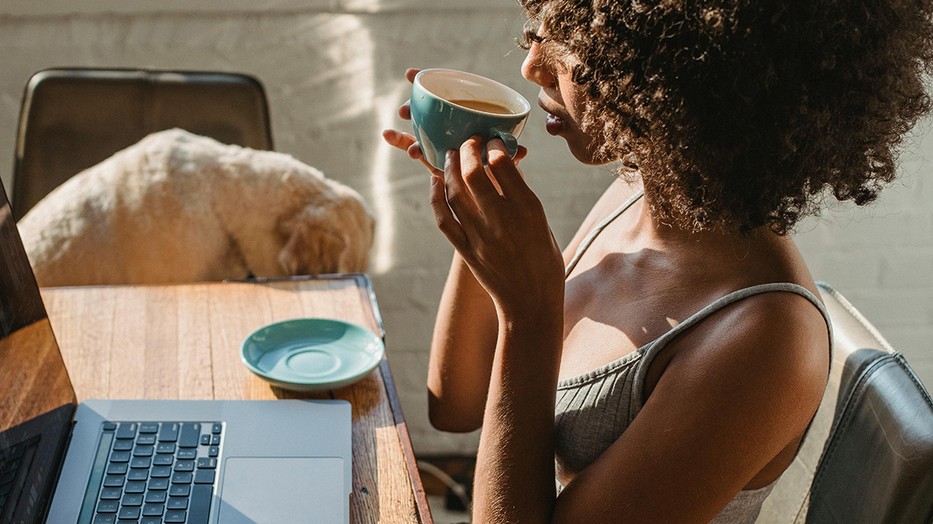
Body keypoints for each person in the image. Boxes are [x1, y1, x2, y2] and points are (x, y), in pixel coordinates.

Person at [382, 0, 933, 521]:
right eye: (539, 31)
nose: (532, 66)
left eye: (571, 43)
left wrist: (528, 314)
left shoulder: (766, 339)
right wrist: (477, 211)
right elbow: (455, 405)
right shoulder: (634, 195)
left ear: (682, 70)